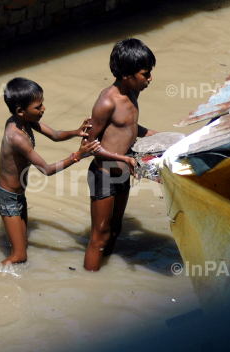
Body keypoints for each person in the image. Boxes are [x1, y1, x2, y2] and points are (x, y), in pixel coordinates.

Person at [0, 77, 102, 266]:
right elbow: (46, 169)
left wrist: (76, 132)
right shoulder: (16, 137)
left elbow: (54, 135)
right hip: (7, 197)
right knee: (19, 256)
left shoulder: (23, 121)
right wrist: (78, 155)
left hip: (18, 195)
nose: (43, 109)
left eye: (42, 104)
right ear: (21, 111)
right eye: (38, 107)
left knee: (23, 246)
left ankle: (18, 281)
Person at [84, 38, 159, 271]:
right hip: (104, 174)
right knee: (99, 237)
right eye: (145, 74)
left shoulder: (133, 93)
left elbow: (129, 127)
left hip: (122, 173)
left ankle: (102, 277)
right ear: (128, 75)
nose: (150, 79)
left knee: (115, 230)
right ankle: (89, 283)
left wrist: (158, 136)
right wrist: (122, 157)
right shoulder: (107, 102)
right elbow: (88, 144)